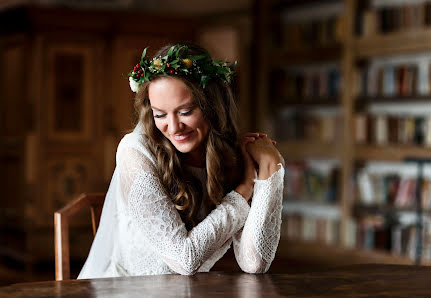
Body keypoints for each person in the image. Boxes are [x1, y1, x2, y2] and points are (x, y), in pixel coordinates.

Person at [78, 42, 284, 278]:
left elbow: (254, 262)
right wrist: (245, 188)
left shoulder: (230, 155)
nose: (174, 127)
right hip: (125, 291)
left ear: (212, 106)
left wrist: (270, 166)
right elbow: (184, 259)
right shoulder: (134, 150)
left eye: (186, 112)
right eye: (160, 114)